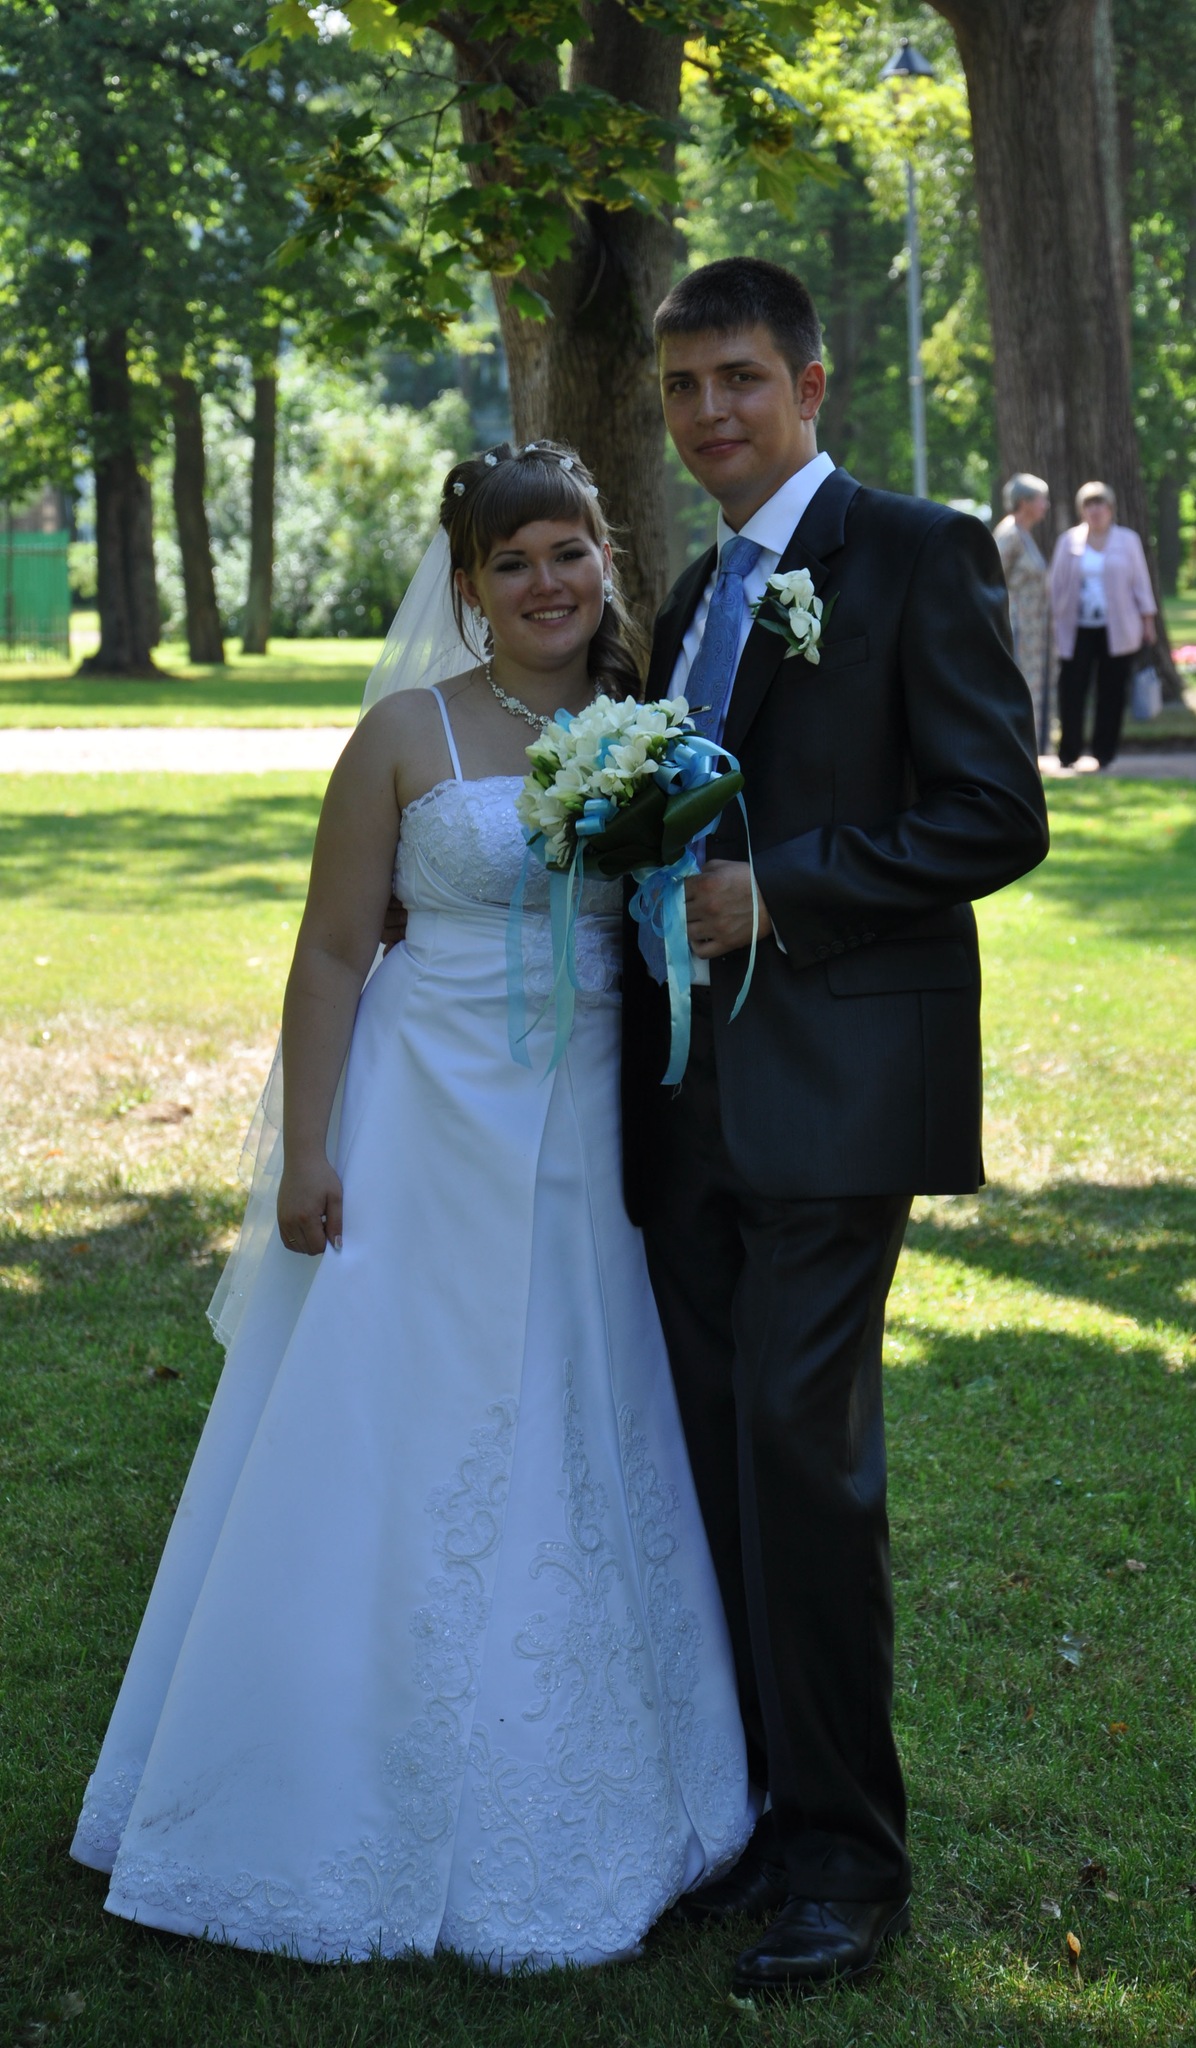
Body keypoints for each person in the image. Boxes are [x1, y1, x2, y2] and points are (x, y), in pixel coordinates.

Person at [70, 443, 754, 1968]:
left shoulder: (652, 728)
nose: (546, 584)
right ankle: (318, 1781)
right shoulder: (404, 735)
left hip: (588, 1132)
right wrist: (309, 1150)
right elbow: (332, 952)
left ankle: (596, 1785)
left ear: (605, 563)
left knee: (577, 1412)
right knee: (391, 1425)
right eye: (511, 563)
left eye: (568, 553)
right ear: (467, 587)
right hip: (420, 1121)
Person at [621, 257, 1050, 1997]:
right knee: (717, 1463)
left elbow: (994, 812)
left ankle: (848, 1863)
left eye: (738, 377)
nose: (708, 412)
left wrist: (777, 895)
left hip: (837, 1093)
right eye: (682, 386)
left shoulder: (920, 551)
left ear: (810, 386)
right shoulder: (690, 590)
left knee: (804, 1465)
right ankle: (752, 1813)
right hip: (683, 1101)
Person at [1049, 480, 1157, 769]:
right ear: (1081, 510)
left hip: (1117, 628)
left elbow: (1141, 583)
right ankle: (1069, 752)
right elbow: (1055, 585)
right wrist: (1053, 620)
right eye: (1089, 505)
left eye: (1100, 504)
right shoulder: (1068, 541)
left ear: (1111, 509)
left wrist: (1148, 620)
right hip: (1076, 628)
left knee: (1111, 691)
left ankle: (1104, 752)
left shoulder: (1128, 540)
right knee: (1072, 689)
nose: (1095, 511)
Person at [994, 473, 1052, 754]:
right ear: (1025, 502)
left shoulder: (1024, 534)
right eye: (1041, 499)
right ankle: (1015, 749)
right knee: (1019, 685)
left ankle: (1031, 748)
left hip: (1033, 628)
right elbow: (990, 577)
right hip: (1016, 626)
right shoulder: (1009, 535)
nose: (1046, 505)